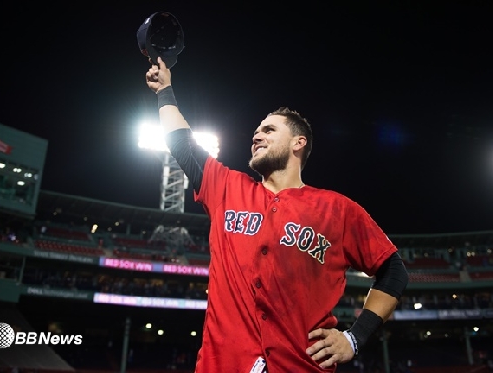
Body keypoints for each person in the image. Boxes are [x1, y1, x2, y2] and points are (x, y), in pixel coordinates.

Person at [144, 57, 409, 373]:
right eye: (256, 131)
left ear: (299, 143)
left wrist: (354, 338)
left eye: (268, 130)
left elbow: (394, 271)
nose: (256, 136)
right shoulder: (226, 187)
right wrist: (165, 90)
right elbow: (182, 144)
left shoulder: (337, 209)